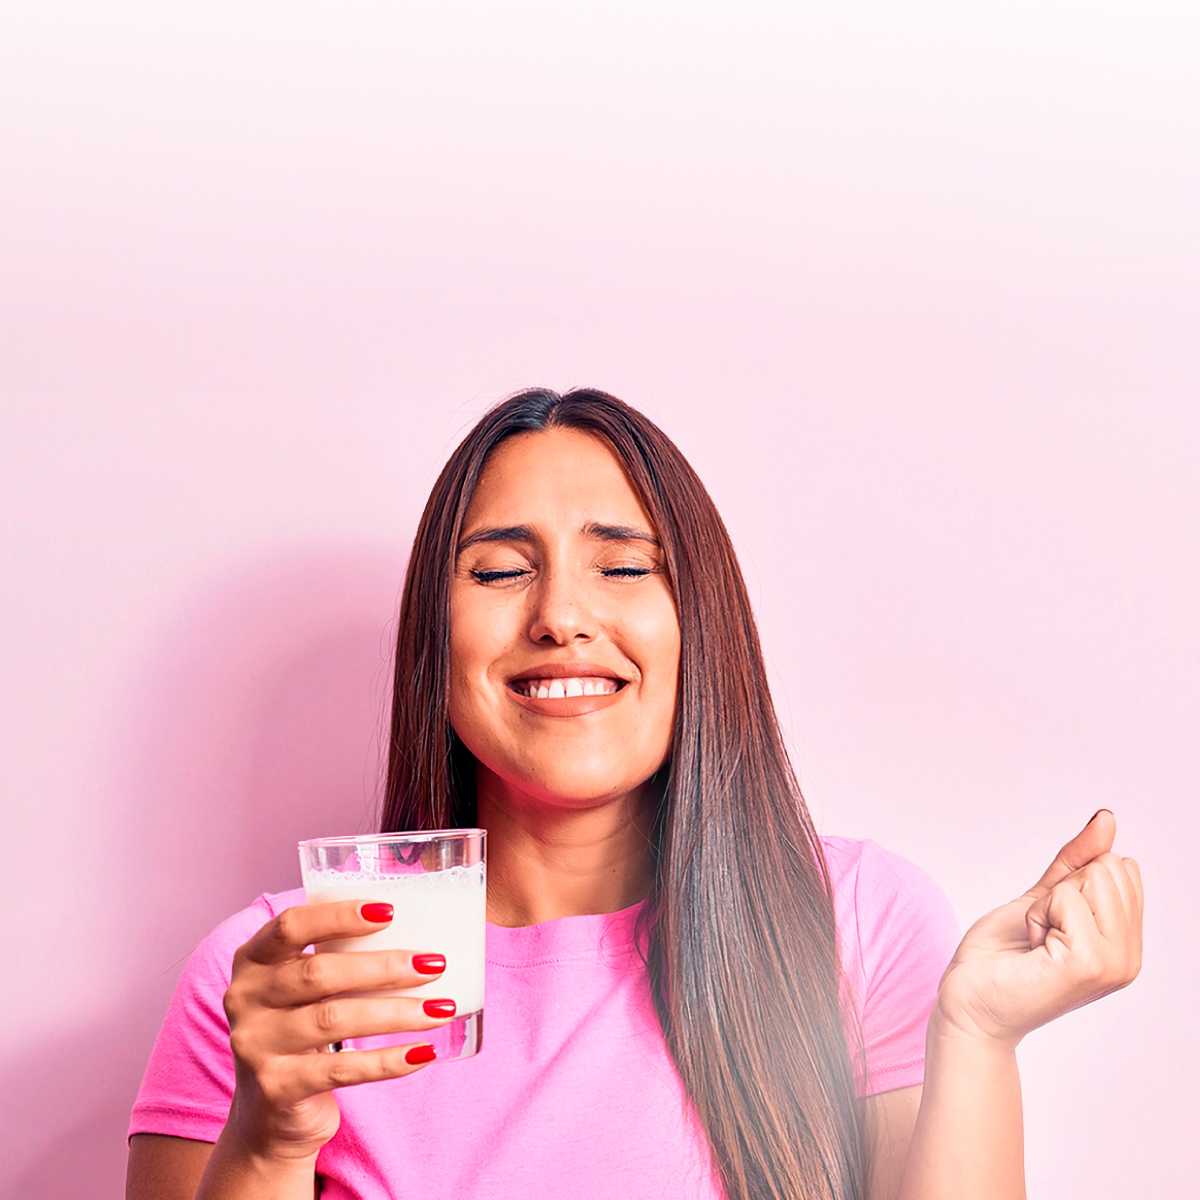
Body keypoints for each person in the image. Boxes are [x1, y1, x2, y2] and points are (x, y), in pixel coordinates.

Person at [126, 388, 1143, 1200]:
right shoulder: (279, 985)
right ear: (434, 643)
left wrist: (976, 1036)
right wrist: (267, 1141)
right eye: (497, 573)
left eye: (622, 566)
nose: (563, 615)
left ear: (699, 623)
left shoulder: (862, 924)